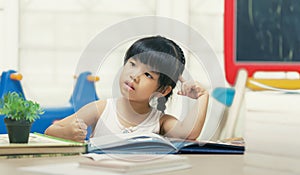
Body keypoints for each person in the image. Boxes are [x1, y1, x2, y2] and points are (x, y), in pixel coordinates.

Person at [45, 36, 209, 143]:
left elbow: (188, 134)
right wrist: (67, 132)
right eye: (132, 64)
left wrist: (202, 96)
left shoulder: (160, 121)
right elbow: (50, 130)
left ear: (164, 90)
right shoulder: (101, 109)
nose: (134, 76)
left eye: (148, 75)